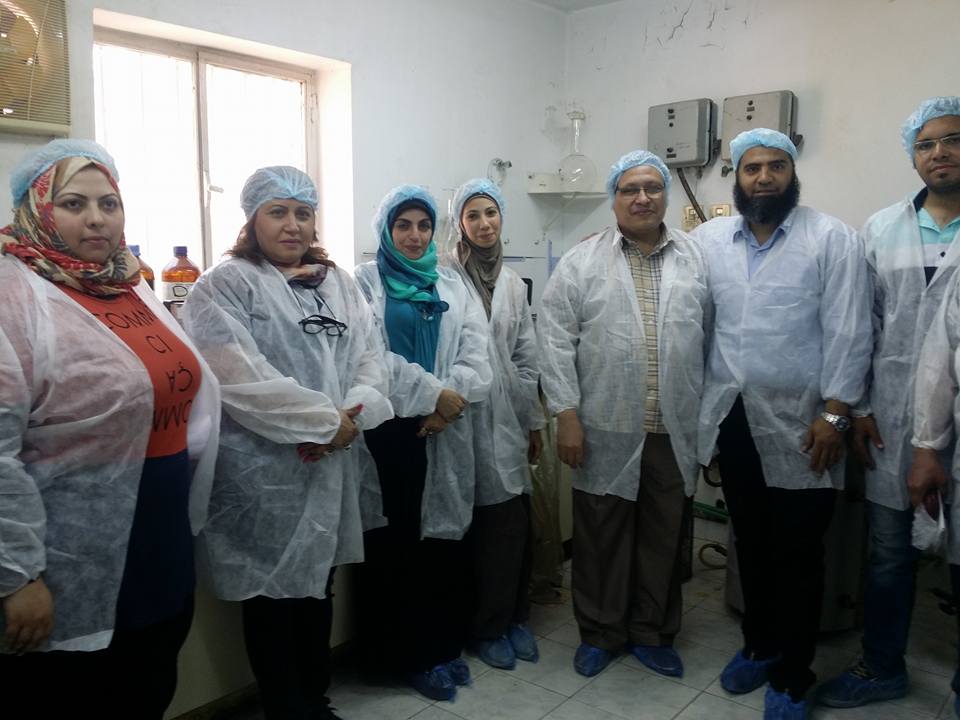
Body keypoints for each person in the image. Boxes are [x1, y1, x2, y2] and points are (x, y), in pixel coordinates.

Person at [0, 139, 220, 719]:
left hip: (159, 533)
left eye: (109, 203)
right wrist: (16, 575)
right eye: (73, 203)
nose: (96, 219)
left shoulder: (128, 282)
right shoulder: (13, 294)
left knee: (150, 682)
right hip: (66, 550)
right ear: (35, 209)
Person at [181, 166, 393, 720]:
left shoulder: (337, 282)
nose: (292, 225)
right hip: (265, 473)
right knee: (272, 595)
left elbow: (371, 357)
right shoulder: (225, 285)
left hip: (332, 461)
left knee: (318, 584)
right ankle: (286, 708)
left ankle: (316, 699)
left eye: (303, 213)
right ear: (252, 219)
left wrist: (349, 416)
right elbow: (239, 377)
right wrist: (323, 423)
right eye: (277, 212)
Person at [693, 128, 872, 719]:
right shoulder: (711, 241)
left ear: (793, 174)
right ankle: (760, 645)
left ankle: (793, 675)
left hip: (806, 423)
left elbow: (851, 329)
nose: (764, 178)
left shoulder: (831, 239)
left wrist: (835, 412)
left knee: (799, 552)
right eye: (752, 168)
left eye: (776, 166)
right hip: (734, 416)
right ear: (737, 177)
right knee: (751, 541)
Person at [538, 150, 708, 680]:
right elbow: (554, 340)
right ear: (614, 198)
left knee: (664, 535)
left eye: (652, 188)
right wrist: (566, 415)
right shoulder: (581, 261)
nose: (642, 198)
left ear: (666, 196)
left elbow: (714, 340)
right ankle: (600, 633)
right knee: (600, 534)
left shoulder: (696, 259)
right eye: (630, 189)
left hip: (674, 427)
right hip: (604, 425)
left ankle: (652, 632)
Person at [817, 96, 960, 710]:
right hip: (890, 418)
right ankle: (881, 667)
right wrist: (857, 407)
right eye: (925, 144)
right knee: (887, 554)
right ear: (912, 156)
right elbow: (859, 325)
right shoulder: (881, 228)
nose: (939, 153)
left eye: (952, 140)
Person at [353, 184, 491, 702]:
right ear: (386, 230)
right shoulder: (364, 282)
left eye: (424, 225)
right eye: (403, 225)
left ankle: (440, 647)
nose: (414, 236)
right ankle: (399, 658)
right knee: (395, 546)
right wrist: (435, 394)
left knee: (443, 544)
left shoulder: (450, 282)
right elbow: (369, 356)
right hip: (391, 430)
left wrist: (449, 400)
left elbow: (477, 349)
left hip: (445, 424)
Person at [448, 178, 545, 670]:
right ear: (459, 224)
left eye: (491, 213)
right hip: (458, 419)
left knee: (511, 526)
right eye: (473, 215)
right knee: (468, 531)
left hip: (507, 420)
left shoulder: (511, 282)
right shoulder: (444, 277)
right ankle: (485, 628)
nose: (484, 224)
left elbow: (527, 355)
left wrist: (532, 421)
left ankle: (514, 618)